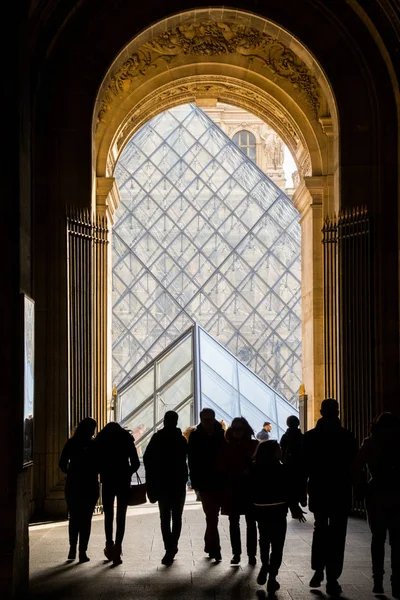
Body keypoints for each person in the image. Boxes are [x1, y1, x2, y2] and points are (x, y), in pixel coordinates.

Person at [304, 398, 358, 596]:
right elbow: (354, 466)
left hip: (319, 489)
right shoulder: (347, 437)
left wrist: (302, 492)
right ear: (337, 412)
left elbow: (304, 467)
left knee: (320, 530)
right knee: (337, 534)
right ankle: (333, 577)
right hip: (340, 491)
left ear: (320, 412)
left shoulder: (310, 437)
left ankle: (318, 569)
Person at [353, 412, 400, 598]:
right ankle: (397, 582)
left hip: (376, 494)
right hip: (397, 493)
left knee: (377, 538)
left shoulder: (370, 442)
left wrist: (360, 488)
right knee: (397, 541)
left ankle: (378, 581)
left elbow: (357, 466)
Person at [250, 440, 306, 593]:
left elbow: (249, 491)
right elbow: (289, 491)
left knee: (264, 539)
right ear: (273, 452)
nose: (281, 451)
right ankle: (272, 576)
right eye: (279, 449)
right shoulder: (282, 469)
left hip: (260, 510)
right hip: (278, 510)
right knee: (277, 544)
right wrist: (295, 509)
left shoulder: (254, 468)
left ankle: (264, 565)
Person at [143, 410, 188, 566]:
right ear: (176, 422)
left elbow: (147, 458)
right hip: (177, 484)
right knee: (177, 517)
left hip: (162, 484)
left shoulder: (157, 438)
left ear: (164, 421)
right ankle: (172, 546)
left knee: (164, 517)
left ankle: (169, 547)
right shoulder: (181, 440)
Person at [95, 422, 140, 566]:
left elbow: (94, 461)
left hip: (107, 481)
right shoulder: (126, 438)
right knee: (121, 515)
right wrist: (127, 472)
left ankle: (109, 544)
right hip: (123, 481)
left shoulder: (101, 439)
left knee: (108, 514)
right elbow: (136, 463)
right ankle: (118, 548)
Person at [219, 417, 258, 566]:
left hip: (237, 488)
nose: (236, 431)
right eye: (234, 429)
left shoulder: (227, 446)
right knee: (245, 523)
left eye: (239, 429)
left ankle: (243, 554)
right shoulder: (253, 445)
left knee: (241, 522)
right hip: (241, 488)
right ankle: (245, 554)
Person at [59, 417, 99, 563]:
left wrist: (72, 471)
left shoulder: (71, 443)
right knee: (86, 520)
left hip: (73, 485)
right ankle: (83, 551)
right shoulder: (94, 445)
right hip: (90, 485)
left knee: (74, 518)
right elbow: (99, 465)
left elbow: (62, 464)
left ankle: (72, 548)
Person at [188, 407, 225, 562]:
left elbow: (193, 460)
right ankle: (213, 547)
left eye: (209, 420)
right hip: (209, 481)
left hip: (213, 481)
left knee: (211, 516)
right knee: (212, 516)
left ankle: (212, 546)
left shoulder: (197, 436)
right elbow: (192, 460)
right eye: (205, 420)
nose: (207, 423)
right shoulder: (220, 435)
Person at [280, 415, 307, 506]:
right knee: (301, 483)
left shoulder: (285, 437)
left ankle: (293, 505)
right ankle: (302, 499)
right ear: (298, 423)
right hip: (301, 465)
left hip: (289, 465)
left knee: (290, 486)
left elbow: (281, 450)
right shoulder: (303, 437)